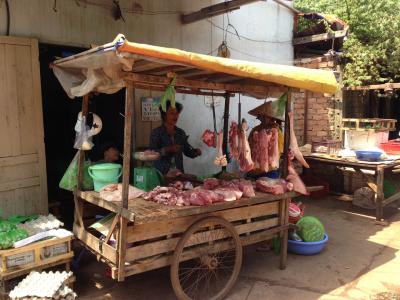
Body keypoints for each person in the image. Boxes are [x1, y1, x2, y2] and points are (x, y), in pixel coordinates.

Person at [149, 100, 201, 174]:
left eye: (177, 113)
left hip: (178, 173)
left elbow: (187, 151)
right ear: (164, 115)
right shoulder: (156, 133)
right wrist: (167, 149)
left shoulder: (180, 133)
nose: (175, 116)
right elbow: (151, 154)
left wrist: (195, 153)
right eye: (171, 113)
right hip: (162, 173)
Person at [246, 101, 284, 179]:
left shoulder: (276, 132)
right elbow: (249, 146)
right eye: (260, 116)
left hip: (269, 171)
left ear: (270, 117)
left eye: (263, 116)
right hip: (254, 169)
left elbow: (278, 152)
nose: (260, 118)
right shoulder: (255, 130)